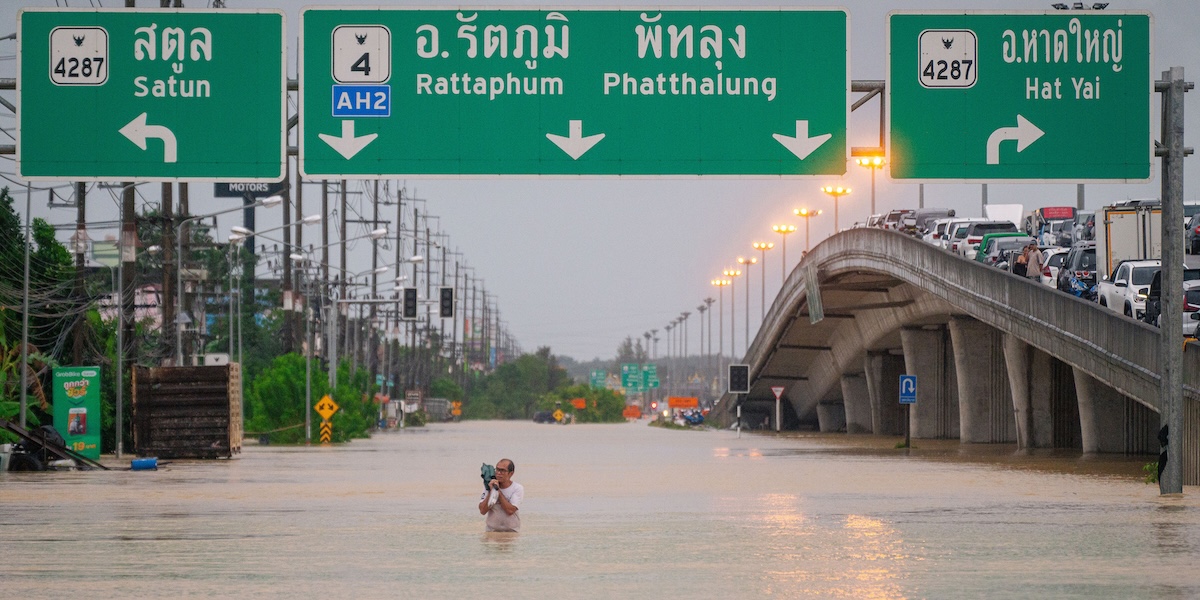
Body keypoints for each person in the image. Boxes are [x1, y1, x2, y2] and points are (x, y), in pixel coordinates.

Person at [478, 458, 523, 532]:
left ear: (511, 473)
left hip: (511, 532)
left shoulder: (517, 488)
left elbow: (510, 510)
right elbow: (482, 511)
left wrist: (498, 491)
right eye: (497, 470)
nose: (498, 473)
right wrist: (490, 491)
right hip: (491, 531)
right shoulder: (489, 486)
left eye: (502, 471)